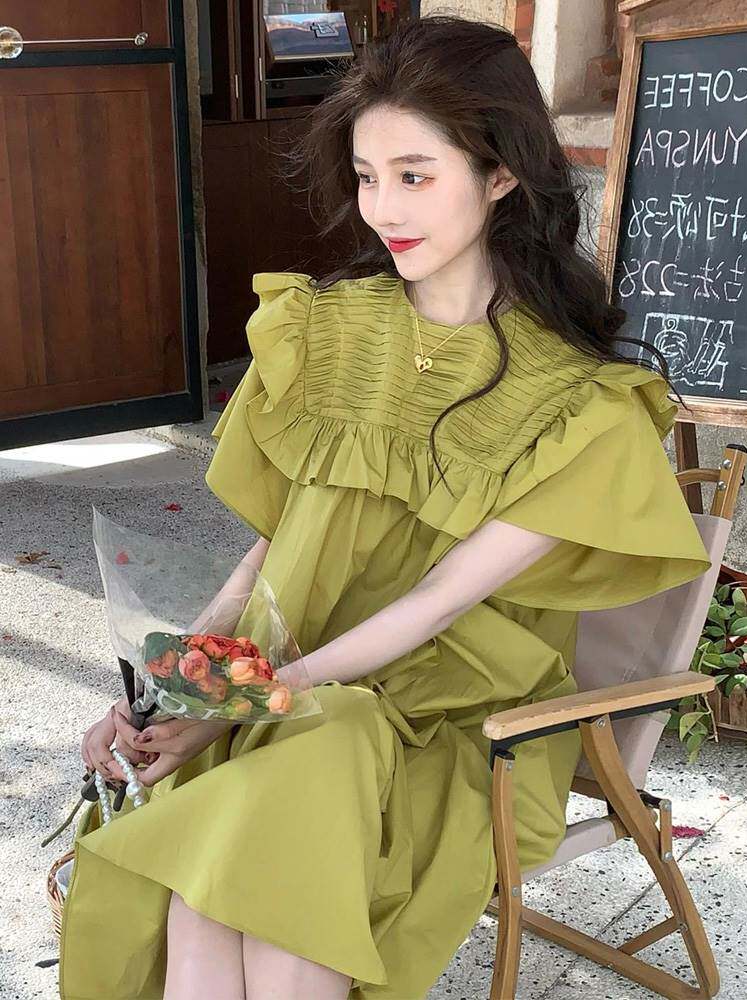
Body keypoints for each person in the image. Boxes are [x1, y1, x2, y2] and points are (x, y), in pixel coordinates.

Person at [59, 15, 712, 1000]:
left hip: (449, 730)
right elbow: (273, 556)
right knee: (229, 883)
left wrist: (243, 705)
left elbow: (435, 604)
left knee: (252, 853)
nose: (383, 209)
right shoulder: (325, 329)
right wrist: (178, 692)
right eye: (367, 177)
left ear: (500, 175)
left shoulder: (578, 404)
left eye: (415, 175)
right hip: (289, 699)